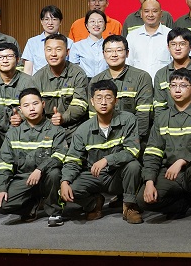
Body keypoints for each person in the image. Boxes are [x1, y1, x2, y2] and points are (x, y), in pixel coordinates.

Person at [56, 80, 143, 225]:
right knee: (68, 189)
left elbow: (132, 151)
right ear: (92, 101)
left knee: (133, 166)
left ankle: (129, 206)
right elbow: (73, 160)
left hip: (118, 175)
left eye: (108, 97)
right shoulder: (83, 129)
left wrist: (107, 160)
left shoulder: (128, 119)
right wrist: (65, 181)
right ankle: (94, 203)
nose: (103, 102)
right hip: (94, 176)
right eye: (99, 98)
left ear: (116, 100)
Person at [139, 68, 191, 227]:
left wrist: (182, 160)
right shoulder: (162, 118)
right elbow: (153, 152)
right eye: (173, 85)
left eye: (183, 85)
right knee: (142, 200)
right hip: (169, 172)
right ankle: (185, 203)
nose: (177, 90)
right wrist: (149, 181)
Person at [0, 87, 68, 222]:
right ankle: (31, 205)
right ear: (20, 109)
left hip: (46, 176)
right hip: (24, 179)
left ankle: (55, 211)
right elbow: (3, 163)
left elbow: (59, 156)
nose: (31, 109)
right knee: (1, 204)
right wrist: (1, 189)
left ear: (43, 104)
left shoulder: (56, 130)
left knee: (54, 173)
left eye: (35, 104)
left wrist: (40, 169)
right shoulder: (13, 133)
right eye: (26, 105)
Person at [0, 42, 38, 161]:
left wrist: (22, 116)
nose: (5, 60)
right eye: (0, 57)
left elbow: (37, 110)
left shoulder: (29, 82)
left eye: (9, 56)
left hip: (24, 133)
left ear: (18, 59)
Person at [90, 34, 155, 144]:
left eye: (119, 50)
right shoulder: (96, 80)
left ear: (127, 53)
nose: (114, 55)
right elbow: (93, 116)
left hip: (133, 140)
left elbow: (143, 116)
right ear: (103, 54)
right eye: (109, 51)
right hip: (104, 142)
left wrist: (131, 141)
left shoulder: (142, 77)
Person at [33, 34, 90, 134]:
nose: (53, 54)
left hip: (74, 128)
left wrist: (63, 118)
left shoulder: (78, 74)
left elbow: (80, 104)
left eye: (58, 49)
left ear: (67, 52)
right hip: (47, 129)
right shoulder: (38, 77)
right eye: (49, 50)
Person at [152, 27, 191, 111]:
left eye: (182, 44)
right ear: (168, 47)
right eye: (173, 44)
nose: (177, 48)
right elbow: (159, 108)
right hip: (167, 119)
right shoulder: (161, 74)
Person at [125, 0, 171, 77]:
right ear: (141, 14)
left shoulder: (170, 35)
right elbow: (128, 63)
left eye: (154, 11)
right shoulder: (132, 36)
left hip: (163, 83)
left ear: (161, 13)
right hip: (138, 83)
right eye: (146, 11)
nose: (150, 15)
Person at [22, 5, 73, 75]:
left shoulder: (69, 42)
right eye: (46, 19)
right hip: (38, 81)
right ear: (41, 21)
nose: (50, 23)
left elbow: (72, 67)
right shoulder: (32, 42)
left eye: (54, 19)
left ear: (60, 21)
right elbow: (27, 70)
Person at [68, 9, 108, 77]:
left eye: (100, 21)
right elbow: (73, 71)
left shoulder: (110, 46)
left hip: (106, 81)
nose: (96, 24)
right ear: (86, 25)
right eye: (92, 21)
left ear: (104, 25)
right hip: (84, 81)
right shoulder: (77, 46)